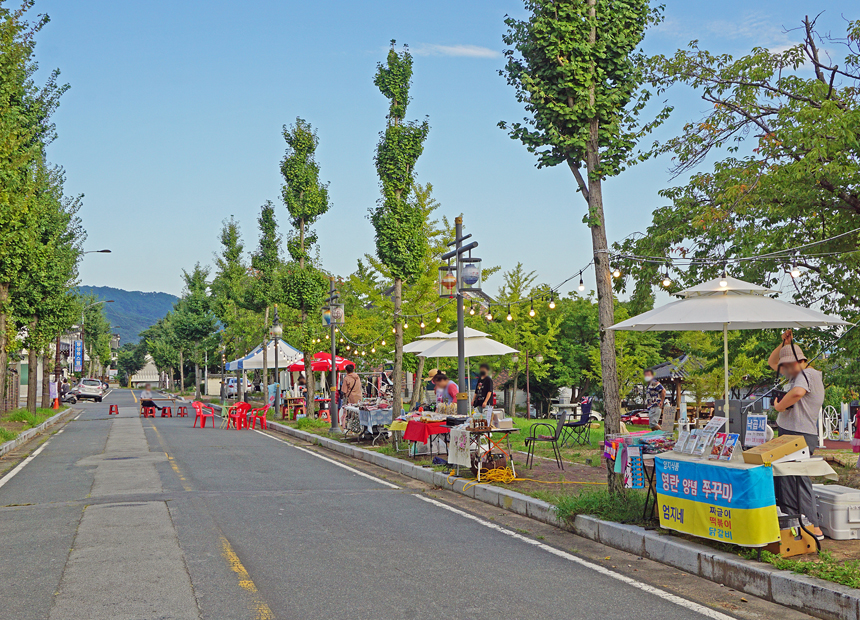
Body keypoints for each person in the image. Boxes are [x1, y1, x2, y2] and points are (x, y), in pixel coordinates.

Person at [769, 329, 825, 538]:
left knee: (799, 481)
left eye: (787, 366)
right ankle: (795, 525)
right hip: (791, 433)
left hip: (799, 434)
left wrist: (780, 407)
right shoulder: (797, 374)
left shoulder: (807, 374)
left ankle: (813, 526)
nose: (783, 370)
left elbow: (798, 392)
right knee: (787, 479)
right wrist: (784, 344)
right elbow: (772, 362)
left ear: (798, 362)